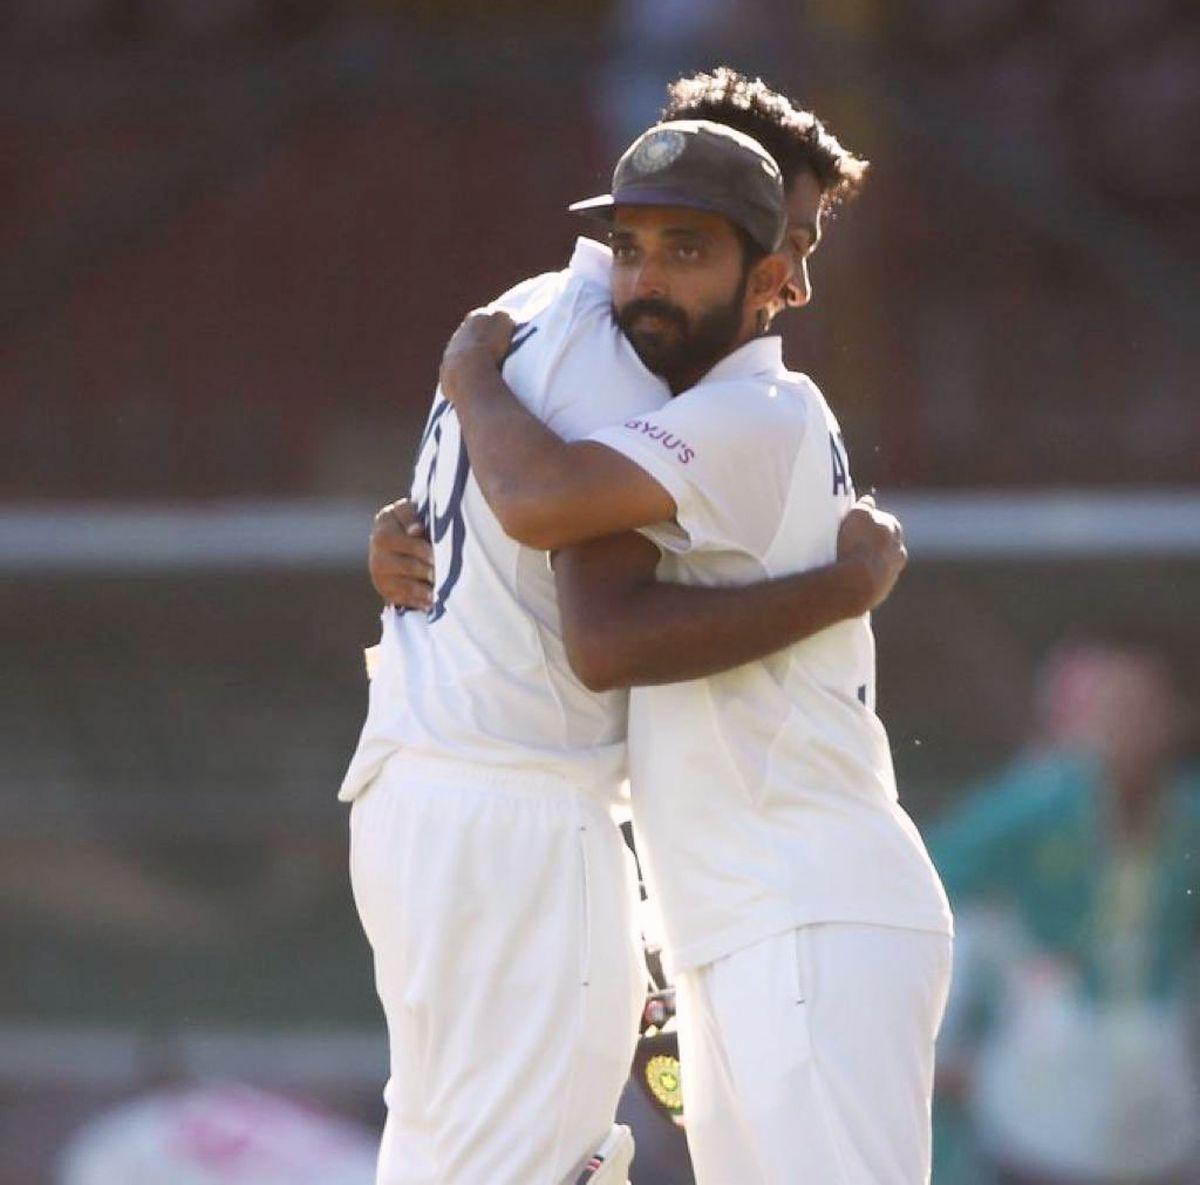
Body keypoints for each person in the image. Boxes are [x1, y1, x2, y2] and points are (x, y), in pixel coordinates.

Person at [343, 74, 911, 1185]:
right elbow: (572, 567)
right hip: (518, 805)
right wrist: (850, 587)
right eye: (785, 235)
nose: (798, 278)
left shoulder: (525, 316)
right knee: (527, 1164)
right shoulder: (625, 354)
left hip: (422, 787)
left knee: (449, 1151)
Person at [929, 633, 1200, 1185]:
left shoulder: (1187, 813)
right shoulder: (1037, 803)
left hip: (1160, 1069)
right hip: (1050, 1066)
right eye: (1111, 707)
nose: (1127, 725)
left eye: (1142, 706)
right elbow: (938, 871)